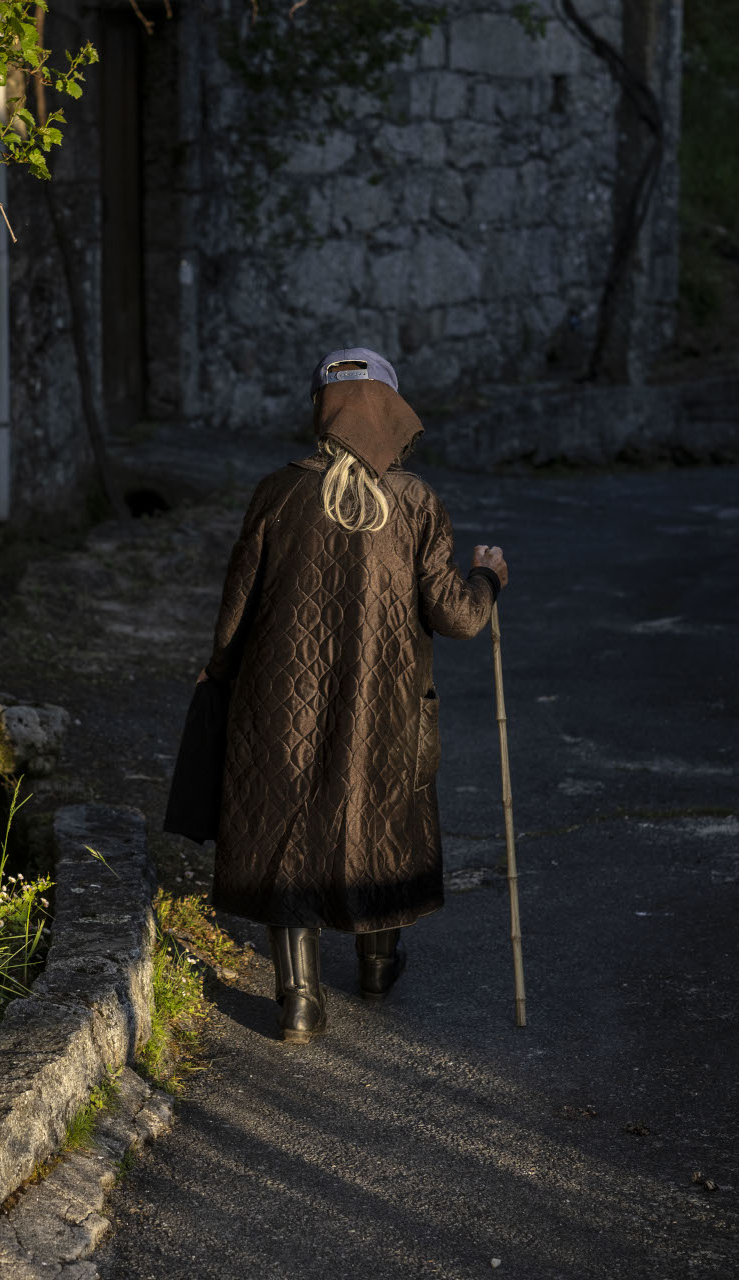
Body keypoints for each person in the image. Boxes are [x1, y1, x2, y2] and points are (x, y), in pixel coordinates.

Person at [193, 347, 509, 1043]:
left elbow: (235, 608)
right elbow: (458, 616)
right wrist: (489, 576)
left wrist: (218, 670)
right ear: (392, 414)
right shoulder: (417, 502)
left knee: (287, 828)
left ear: (322, 413)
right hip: (386, 707)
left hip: (280, 705)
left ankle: (299, 999)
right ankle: (376, 964)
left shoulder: (277, 494)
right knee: (383, 819)